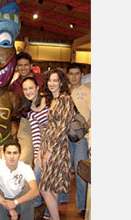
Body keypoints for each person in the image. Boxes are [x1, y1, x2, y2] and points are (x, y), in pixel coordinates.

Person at [38, 69, 75, 220]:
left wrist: (50, 151)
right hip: (48, 145)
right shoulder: (51, 100)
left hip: (58, 148)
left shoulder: (65, 99)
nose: (52, 83)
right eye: (49, 80)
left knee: (45, 189)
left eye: (55, 80)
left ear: (61, 82)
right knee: (53, 188)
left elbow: (63, 127)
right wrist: (42, 149)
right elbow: (48, 128)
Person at [0, 139, 39, 220]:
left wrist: (15, 202)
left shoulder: (26, 168)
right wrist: (7, 205)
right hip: (1, 203)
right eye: (9, 153)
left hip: (18, 203)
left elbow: (35, 191)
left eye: (15, 153)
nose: (12, 156)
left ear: (19, 154)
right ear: (4, 154)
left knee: (28, 190)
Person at [9, 52, 45, 167]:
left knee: (42, 157)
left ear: (31, 66)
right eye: (20, 65)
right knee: (25, 156)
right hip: (25, 122)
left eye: (26, 65)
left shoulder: (42, 79)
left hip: (43, 121)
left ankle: (40, 183)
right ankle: (25, 184)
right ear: (17, 67)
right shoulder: (14, 86)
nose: (23, 68)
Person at [67, 63, 91, 218]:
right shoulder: (63, 91)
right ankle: (60, 199)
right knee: (63, 171)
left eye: (77, 73)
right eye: (71, 73)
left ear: (82, 75)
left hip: (81, 139)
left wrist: (82, 131)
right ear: (68, 75)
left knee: (81, 172)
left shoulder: (88, 92)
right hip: (64, 138)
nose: (74, 76)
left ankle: (82, 206)